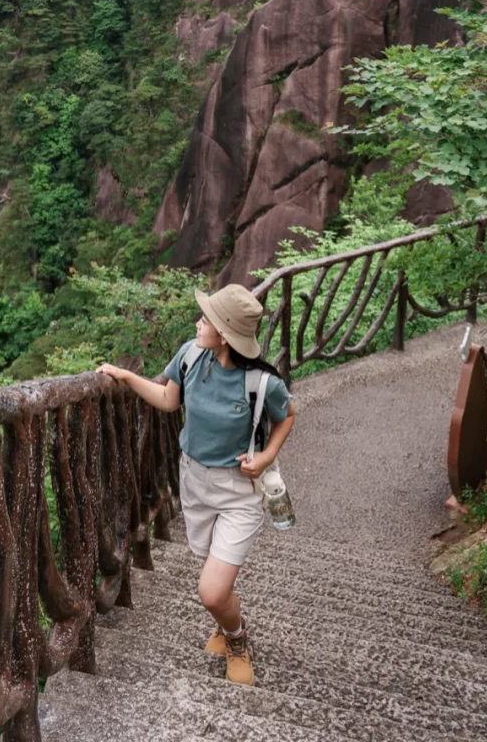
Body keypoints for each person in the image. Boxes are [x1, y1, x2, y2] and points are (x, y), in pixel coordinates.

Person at [98, 283, 295, 686]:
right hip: (195, 483)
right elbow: (170, 399)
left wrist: (267, 456)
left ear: (224, 333)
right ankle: (227, 626)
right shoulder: (191, 355)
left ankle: (237, 638)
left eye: (205, 319)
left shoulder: (260, 383)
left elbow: (288, 414)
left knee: (211, 591)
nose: (197, 323)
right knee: (212, 577)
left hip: (239, 492)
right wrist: (124, 376)